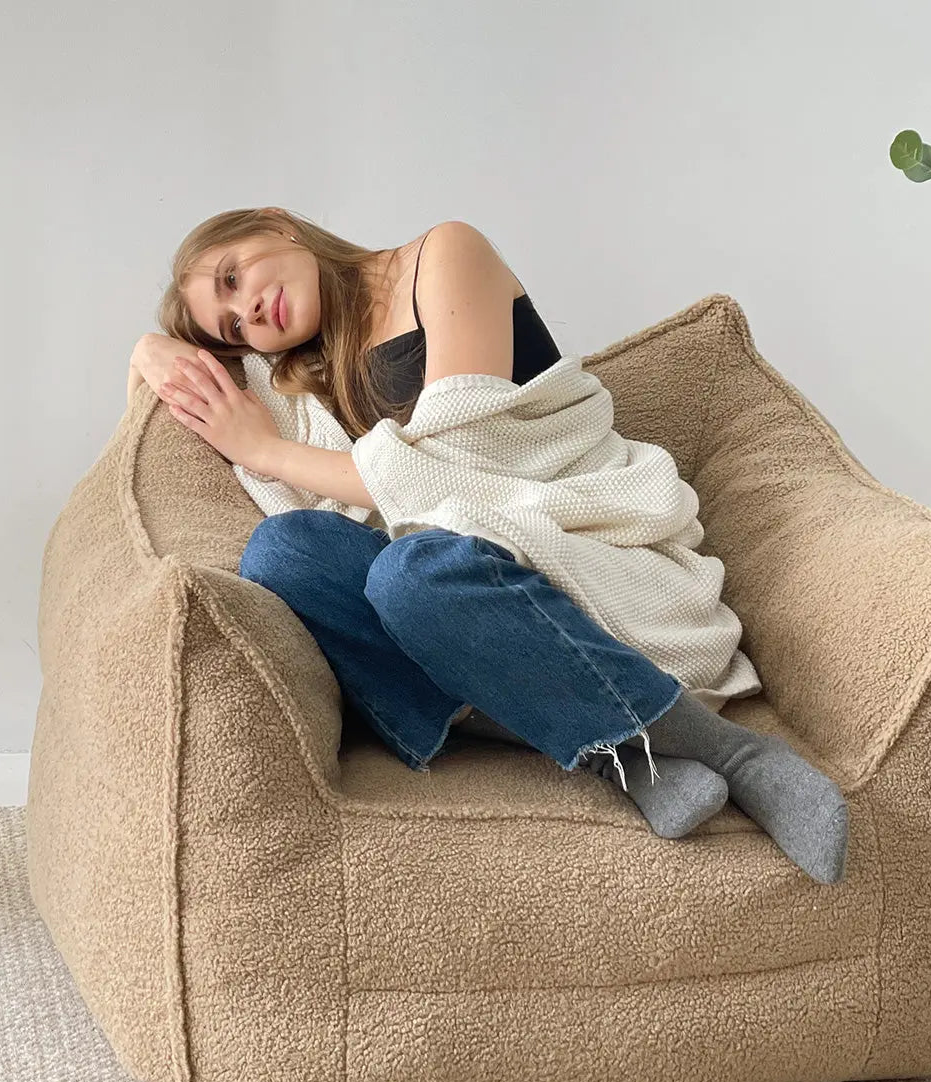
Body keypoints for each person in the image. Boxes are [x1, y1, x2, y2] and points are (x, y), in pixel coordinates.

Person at [131, 207, 848, 883]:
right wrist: (151, 347)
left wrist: (265, 451)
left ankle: (735, 756)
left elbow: (460, 463)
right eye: (230, 326)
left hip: (571, 532)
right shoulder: (303, 372)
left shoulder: (444, 254)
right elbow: (348, 485)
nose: (248, 310)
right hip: (454, 587)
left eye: (234, 277)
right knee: (283, 554)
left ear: (276, 225)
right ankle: (614, 758)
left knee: (412, 574)